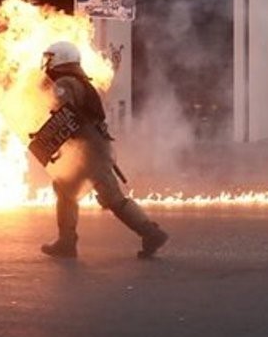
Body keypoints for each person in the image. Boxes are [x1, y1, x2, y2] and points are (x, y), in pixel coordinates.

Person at [35, 41, 169, 258]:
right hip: (91, 148)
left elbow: (65, 115)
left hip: (87, 150)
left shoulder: (65, 83)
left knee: (113, 198)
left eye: (50, 57)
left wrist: (49, 140)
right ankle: (66, 242)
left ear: (60, 58)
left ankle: (151, 233)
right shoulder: (80, 81)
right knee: (65, 189)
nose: (47, 62)